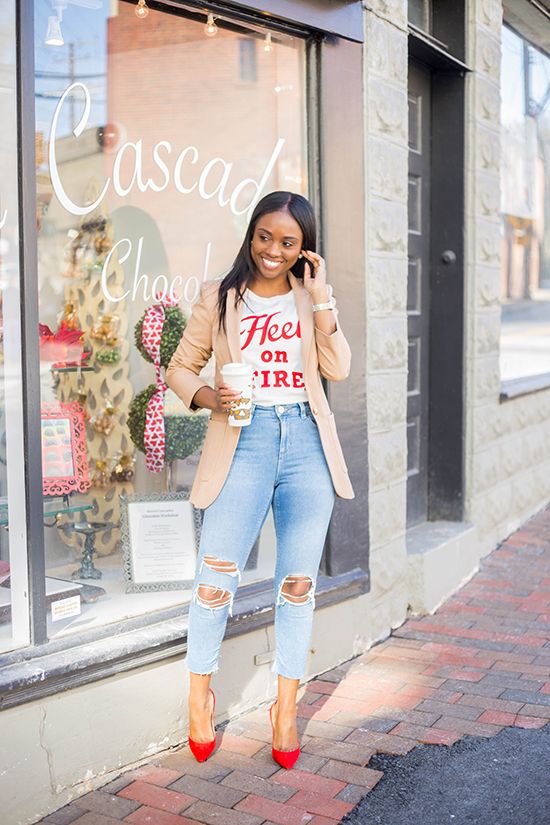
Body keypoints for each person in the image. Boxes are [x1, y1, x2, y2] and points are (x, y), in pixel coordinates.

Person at [166, 190, 355, 769]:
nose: (273, 250)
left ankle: (286, 709)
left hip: (305, 442)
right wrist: (211, 399)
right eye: (265, 236)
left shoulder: (310, 299)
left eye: (288, 242)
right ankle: (199, 698)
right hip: (241, 440)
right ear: (251, 235)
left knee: (297, 584)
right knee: (215, 580)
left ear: (304, 249)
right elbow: (179, 367)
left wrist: (322, 300)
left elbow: (338, 367)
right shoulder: (219, 297)